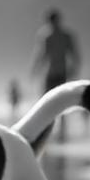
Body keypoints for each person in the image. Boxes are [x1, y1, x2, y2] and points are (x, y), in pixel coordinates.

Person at [31, 9, 80, 138]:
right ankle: (59, 130)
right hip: (61, 72)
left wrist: (35, 69)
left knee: (49, 101)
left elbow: (42, 56)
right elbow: (75, 55)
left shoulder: (47, 35)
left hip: (52, 73)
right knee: (60, 101)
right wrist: (74, 69)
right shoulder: (65, 35)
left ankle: (51, 130)